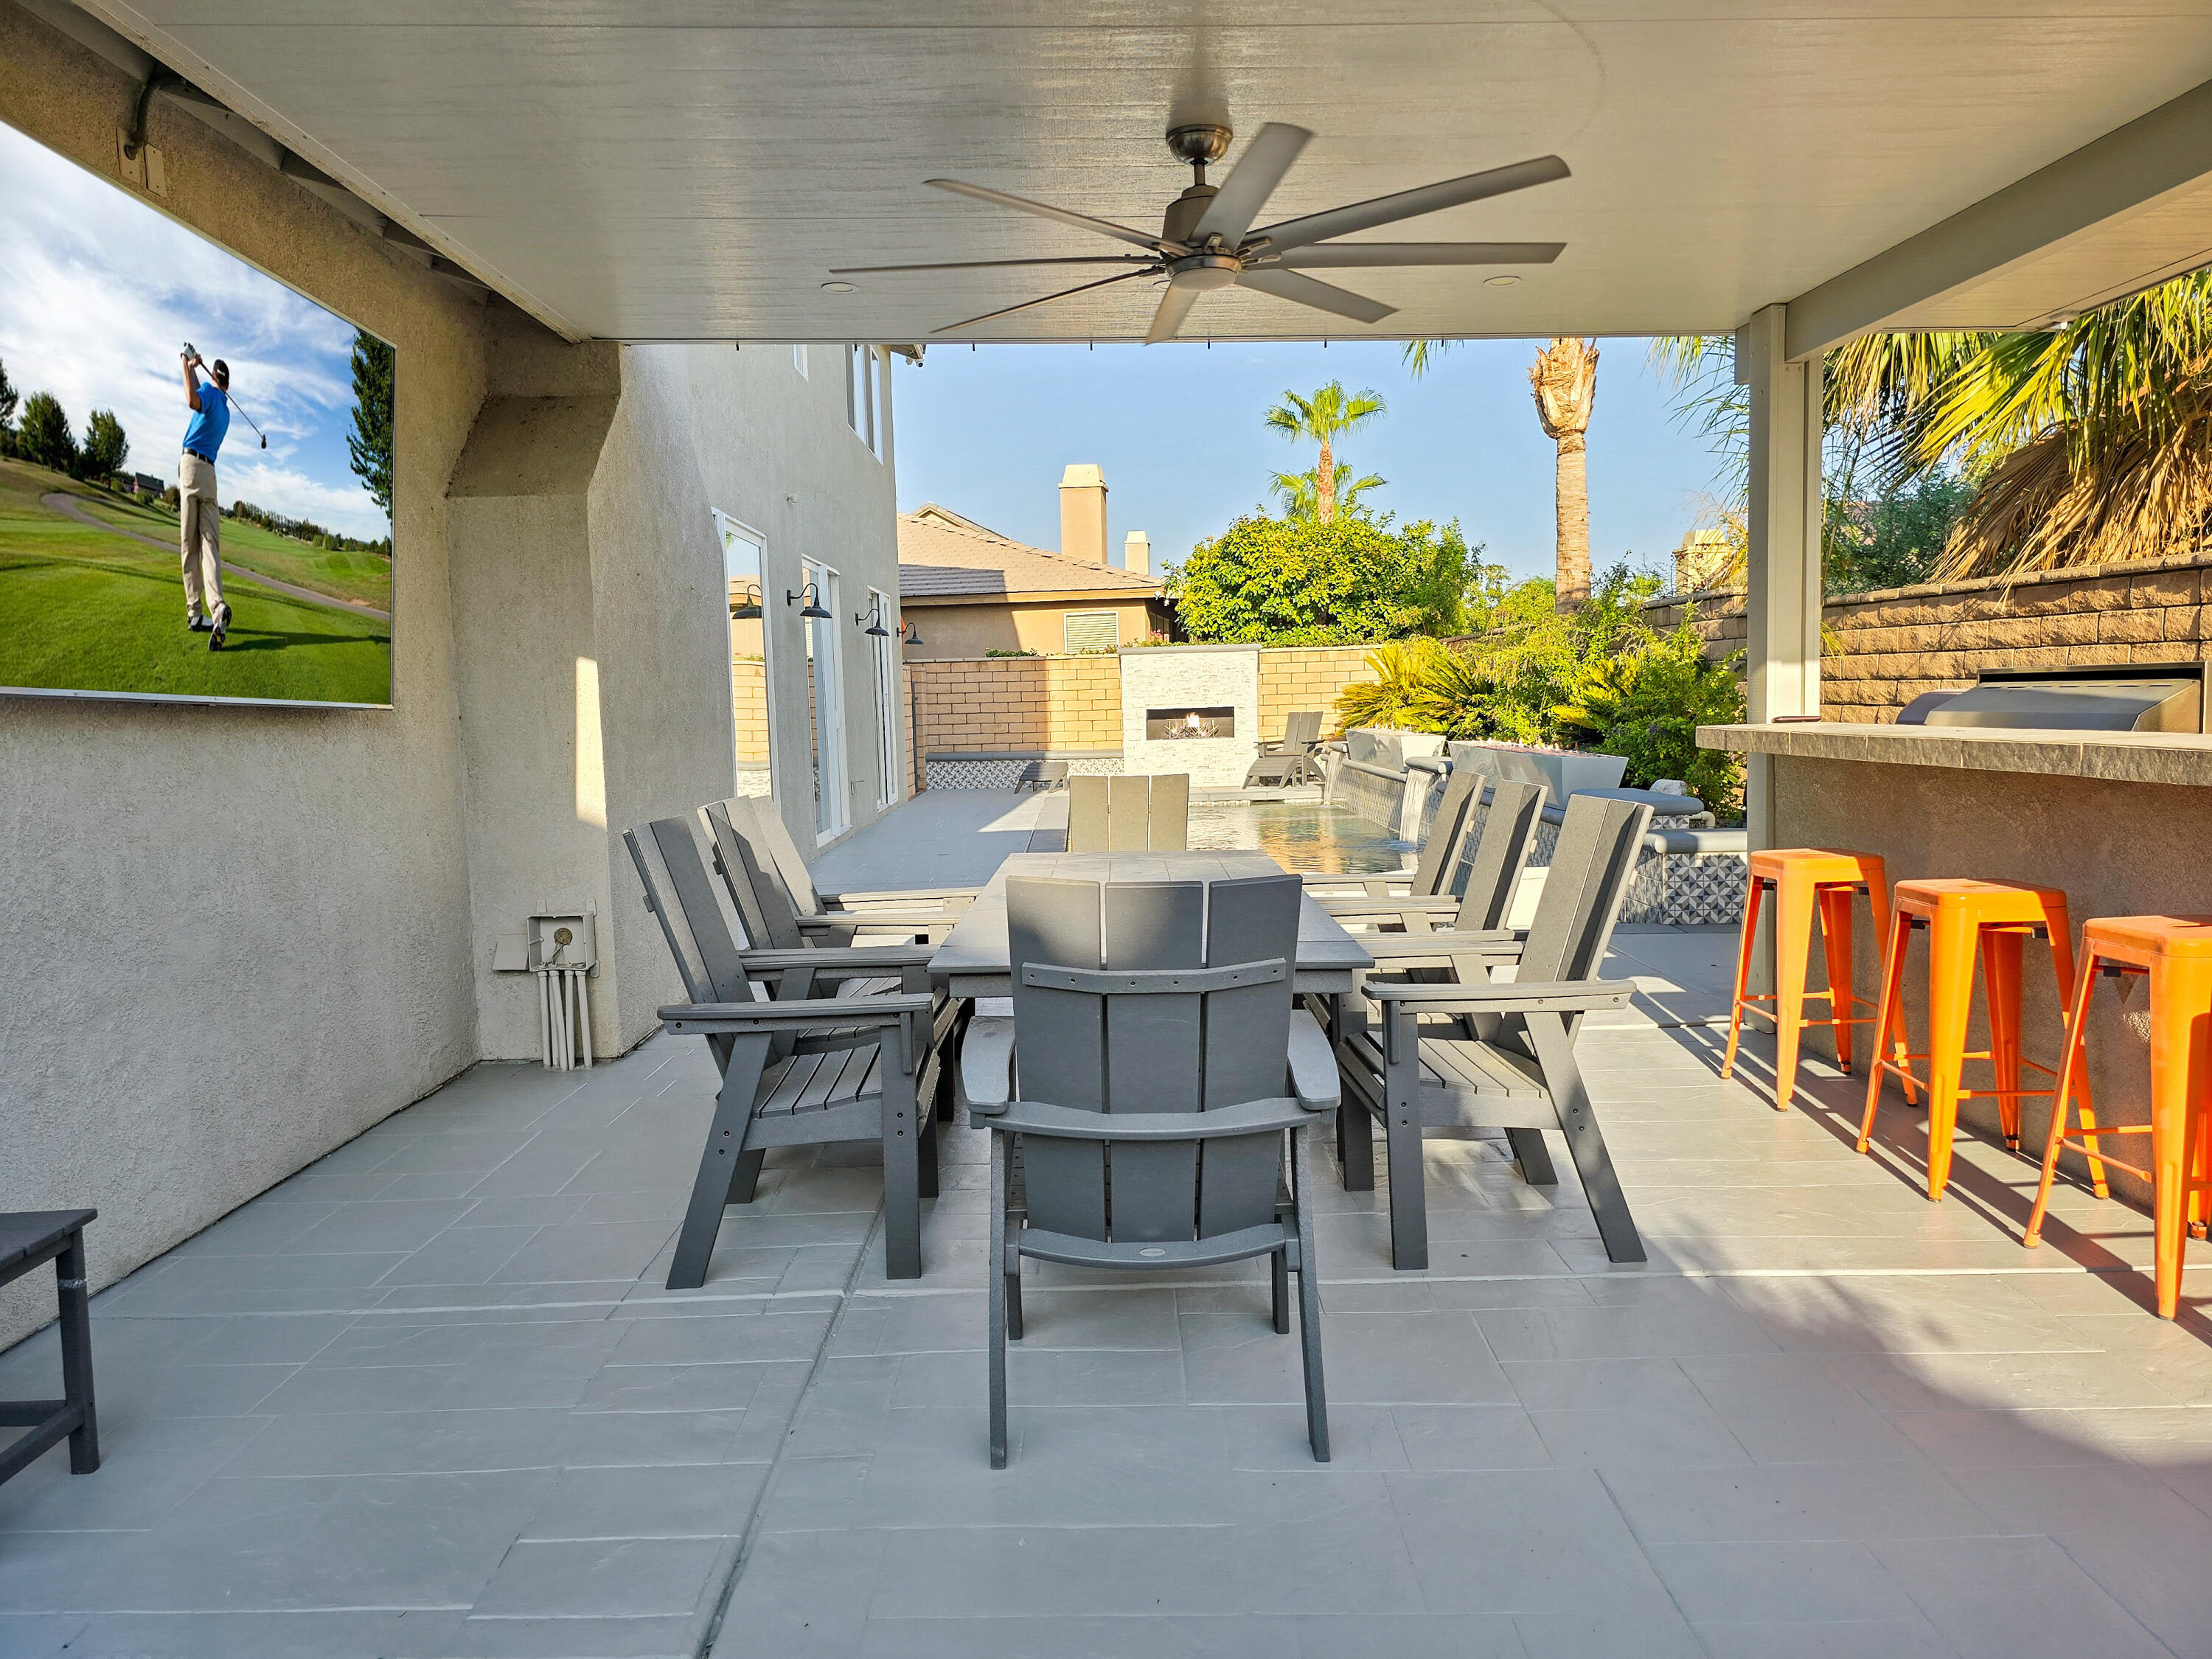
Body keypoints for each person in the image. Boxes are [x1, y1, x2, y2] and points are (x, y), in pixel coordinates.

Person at [178, 349, 232, 650]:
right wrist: (197, 369)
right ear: (227, 385)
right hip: (210, 476)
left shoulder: (208, 396)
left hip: (190, 468)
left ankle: (195, 612)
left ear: (213, 377)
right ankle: (218, 606)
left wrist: (185, 364)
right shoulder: (224, 410)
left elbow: (192, 399)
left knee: (190, 545)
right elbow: (203, 398)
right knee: (210, 546)